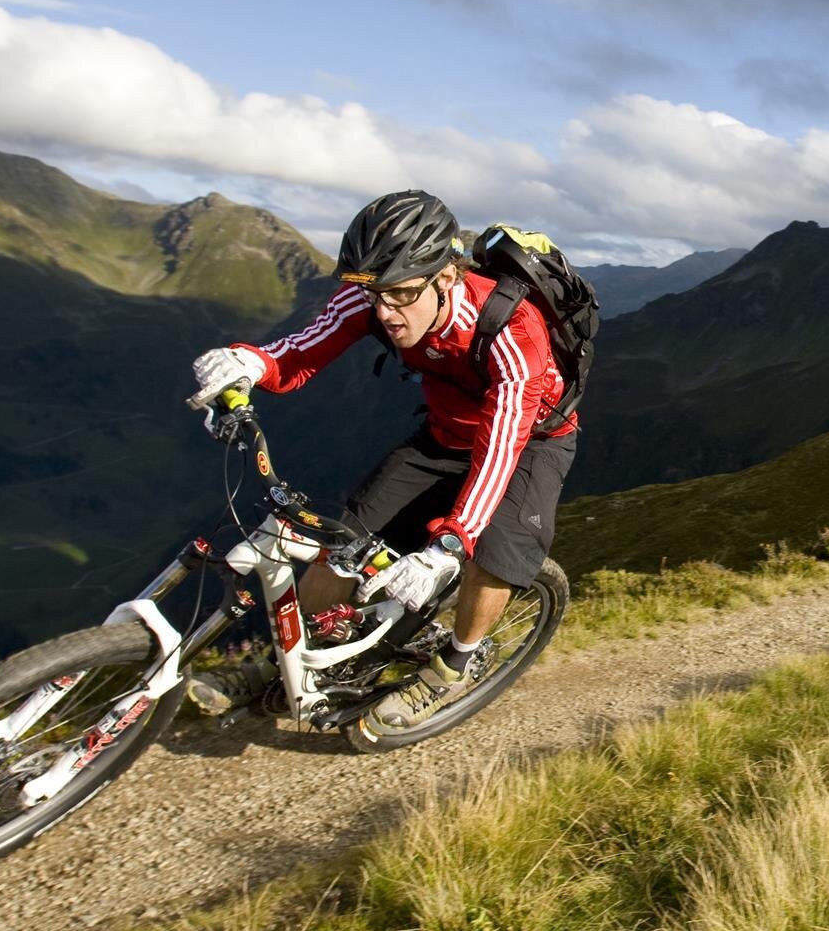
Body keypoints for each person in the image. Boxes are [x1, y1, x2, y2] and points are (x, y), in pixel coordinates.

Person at [183, 189, 578, 732]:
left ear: (447, 277)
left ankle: (453, 669)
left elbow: (502, 440)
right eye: (374, 296)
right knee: (341, 543)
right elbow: (300, 350)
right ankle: (294, 662)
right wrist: (246, 364)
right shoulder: (373, 297)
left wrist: (451, 542)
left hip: (530, 439)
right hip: (444, 435)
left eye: (400, 296)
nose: (385, 313)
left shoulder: (513, 329)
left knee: (497, 554)